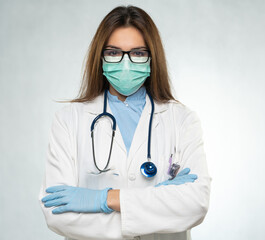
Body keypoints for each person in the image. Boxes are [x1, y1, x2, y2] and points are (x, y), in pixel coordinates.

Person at [38, 5, 211, 240]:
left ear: (152, 58)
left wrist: (103, 200)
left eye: (138, 53)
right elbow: (56, 213)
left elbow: (195, 204)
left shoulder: (181, 120)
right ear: (100, 58)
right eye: (113, 52)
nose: (125, 62)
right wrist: (156, 203)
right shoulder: (69, 120)